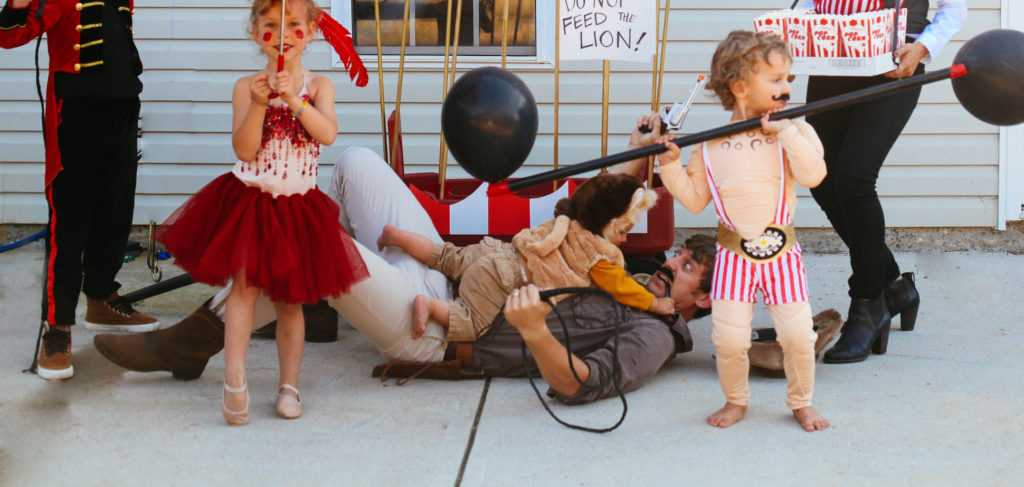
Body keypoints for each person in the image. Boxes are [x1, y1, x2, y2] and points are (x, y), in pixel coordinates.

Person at [95, 115, 717, 405]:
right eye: (681, 256)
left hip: (439, 336)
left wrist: (534, 332)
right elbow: (599, 215)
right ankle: (315, 303)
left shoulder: (651, 332)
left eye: (687, 270)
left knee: (302, 233)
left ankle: (192, 342)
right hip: (446, 273)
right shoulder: (630, 276)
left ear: (703, 302)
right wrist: (641, 150)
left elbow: (580, 387)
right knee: (357, 162)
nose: (671, 268)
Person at [156, 0, 370, 424]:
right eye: (271, 25)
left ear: (311, 32)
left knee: (291, 303)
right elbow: (245, 150)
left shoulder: (319, 86)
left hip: (297, 210)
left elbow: (327, 134)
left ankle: (289, 386)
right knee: (244, 290)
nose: (283, 35)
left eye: (294, 24)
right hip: (250, 203)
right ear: (256, 33)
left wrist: (293, 97)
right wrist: (259, 103)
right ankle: (235, 381)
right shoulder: (245, 87)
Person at [802, 0, 967, 363]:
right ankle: (896, 283)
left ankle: (867, 302)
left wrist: (923, 48)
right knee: (819, 175)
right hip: (833, 64)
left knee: (853, 178)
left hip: (893, 68)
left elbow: (954, 1)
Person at [0, 0, 163, 381]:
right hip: (76, 120)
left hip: (120, 116)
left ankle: (101, 298)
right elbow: (10, 34)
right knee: (71, 225)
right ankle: (57, 327)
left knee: (115, 213)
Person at [658, 30, 829, 431]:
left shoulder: (794, 128)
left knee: (799, 336)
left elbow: (815, 174)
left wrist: (786, 132)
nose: (787, 88)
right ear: (739, 87)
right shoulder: (711, 144)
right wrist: (670, 166)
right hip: (733, 256)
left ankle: (801, 401)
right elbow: (696, 199)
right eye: (776, 80)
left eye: (789, 79)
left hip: (781, 253)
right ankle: (736, 399)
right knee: (731, 340)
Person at [378, 172, 675, 342]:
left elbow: (603, 190)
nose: (625, 240)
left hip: (497, 251)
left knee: (446, 255)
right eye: (622, 232)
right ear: (604, 226)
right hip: (502, 279)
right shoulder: (598, 256)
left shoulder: (569, 217)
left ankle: (398, 236)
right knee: (472, 323)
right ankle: (430, 306)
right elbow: (622, 288)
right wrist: (656, 303)